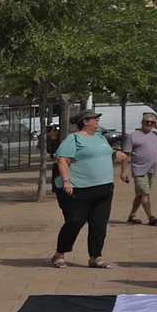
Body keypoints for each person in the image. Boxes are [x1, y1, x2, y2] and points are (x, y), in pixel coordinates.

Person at [50, 111, 127, 269]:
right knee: (75, 221)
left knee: (99, 223)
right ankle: (59, 254)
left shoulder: (100, 138)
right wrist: (67, 181)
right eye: (95, 119)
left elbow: (103, 153)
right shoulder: (74, 139)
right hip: (79, 188)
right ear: (85, 121)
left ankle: (95, 257)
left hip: (104, 187)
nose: (98, 121)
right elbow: (62, 159)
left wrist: (115, 154)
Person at [122, 113, 157, 225]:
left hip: (151, 170)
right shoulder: (133, 136)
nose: (149, 124)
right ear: (142, 123)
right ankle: (151, 217)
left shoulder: (154, 135)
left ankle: (132, 215)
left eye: (152, 122)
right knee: (145, 193)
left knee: (141, 194)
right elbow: (126, 155)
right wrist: (123, 171)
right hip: (139, 170)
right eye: (147, 122)